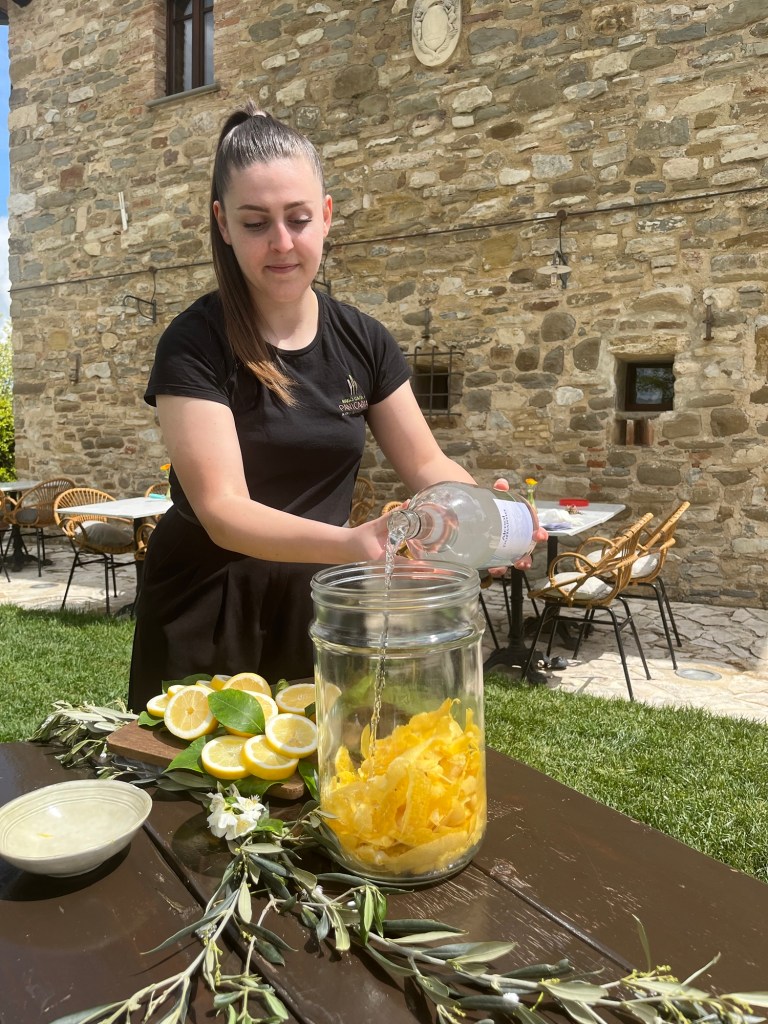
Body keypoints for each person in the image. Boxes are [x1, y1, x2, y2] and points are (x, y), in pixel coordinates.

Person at [127, 103, 545, 712]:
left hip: (318, 600)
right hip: (209, 600)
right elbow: (223, 511)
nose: (281, 243)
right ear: (222, 223)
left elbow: (427, 465)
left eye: (298, 219)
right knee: (198, 769)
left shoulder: (363, 340)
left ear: (325, 215)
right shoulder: (195, 342)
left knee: (318, 760)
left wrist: (487, 514)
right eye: (255, 223)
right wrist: (359, 544)